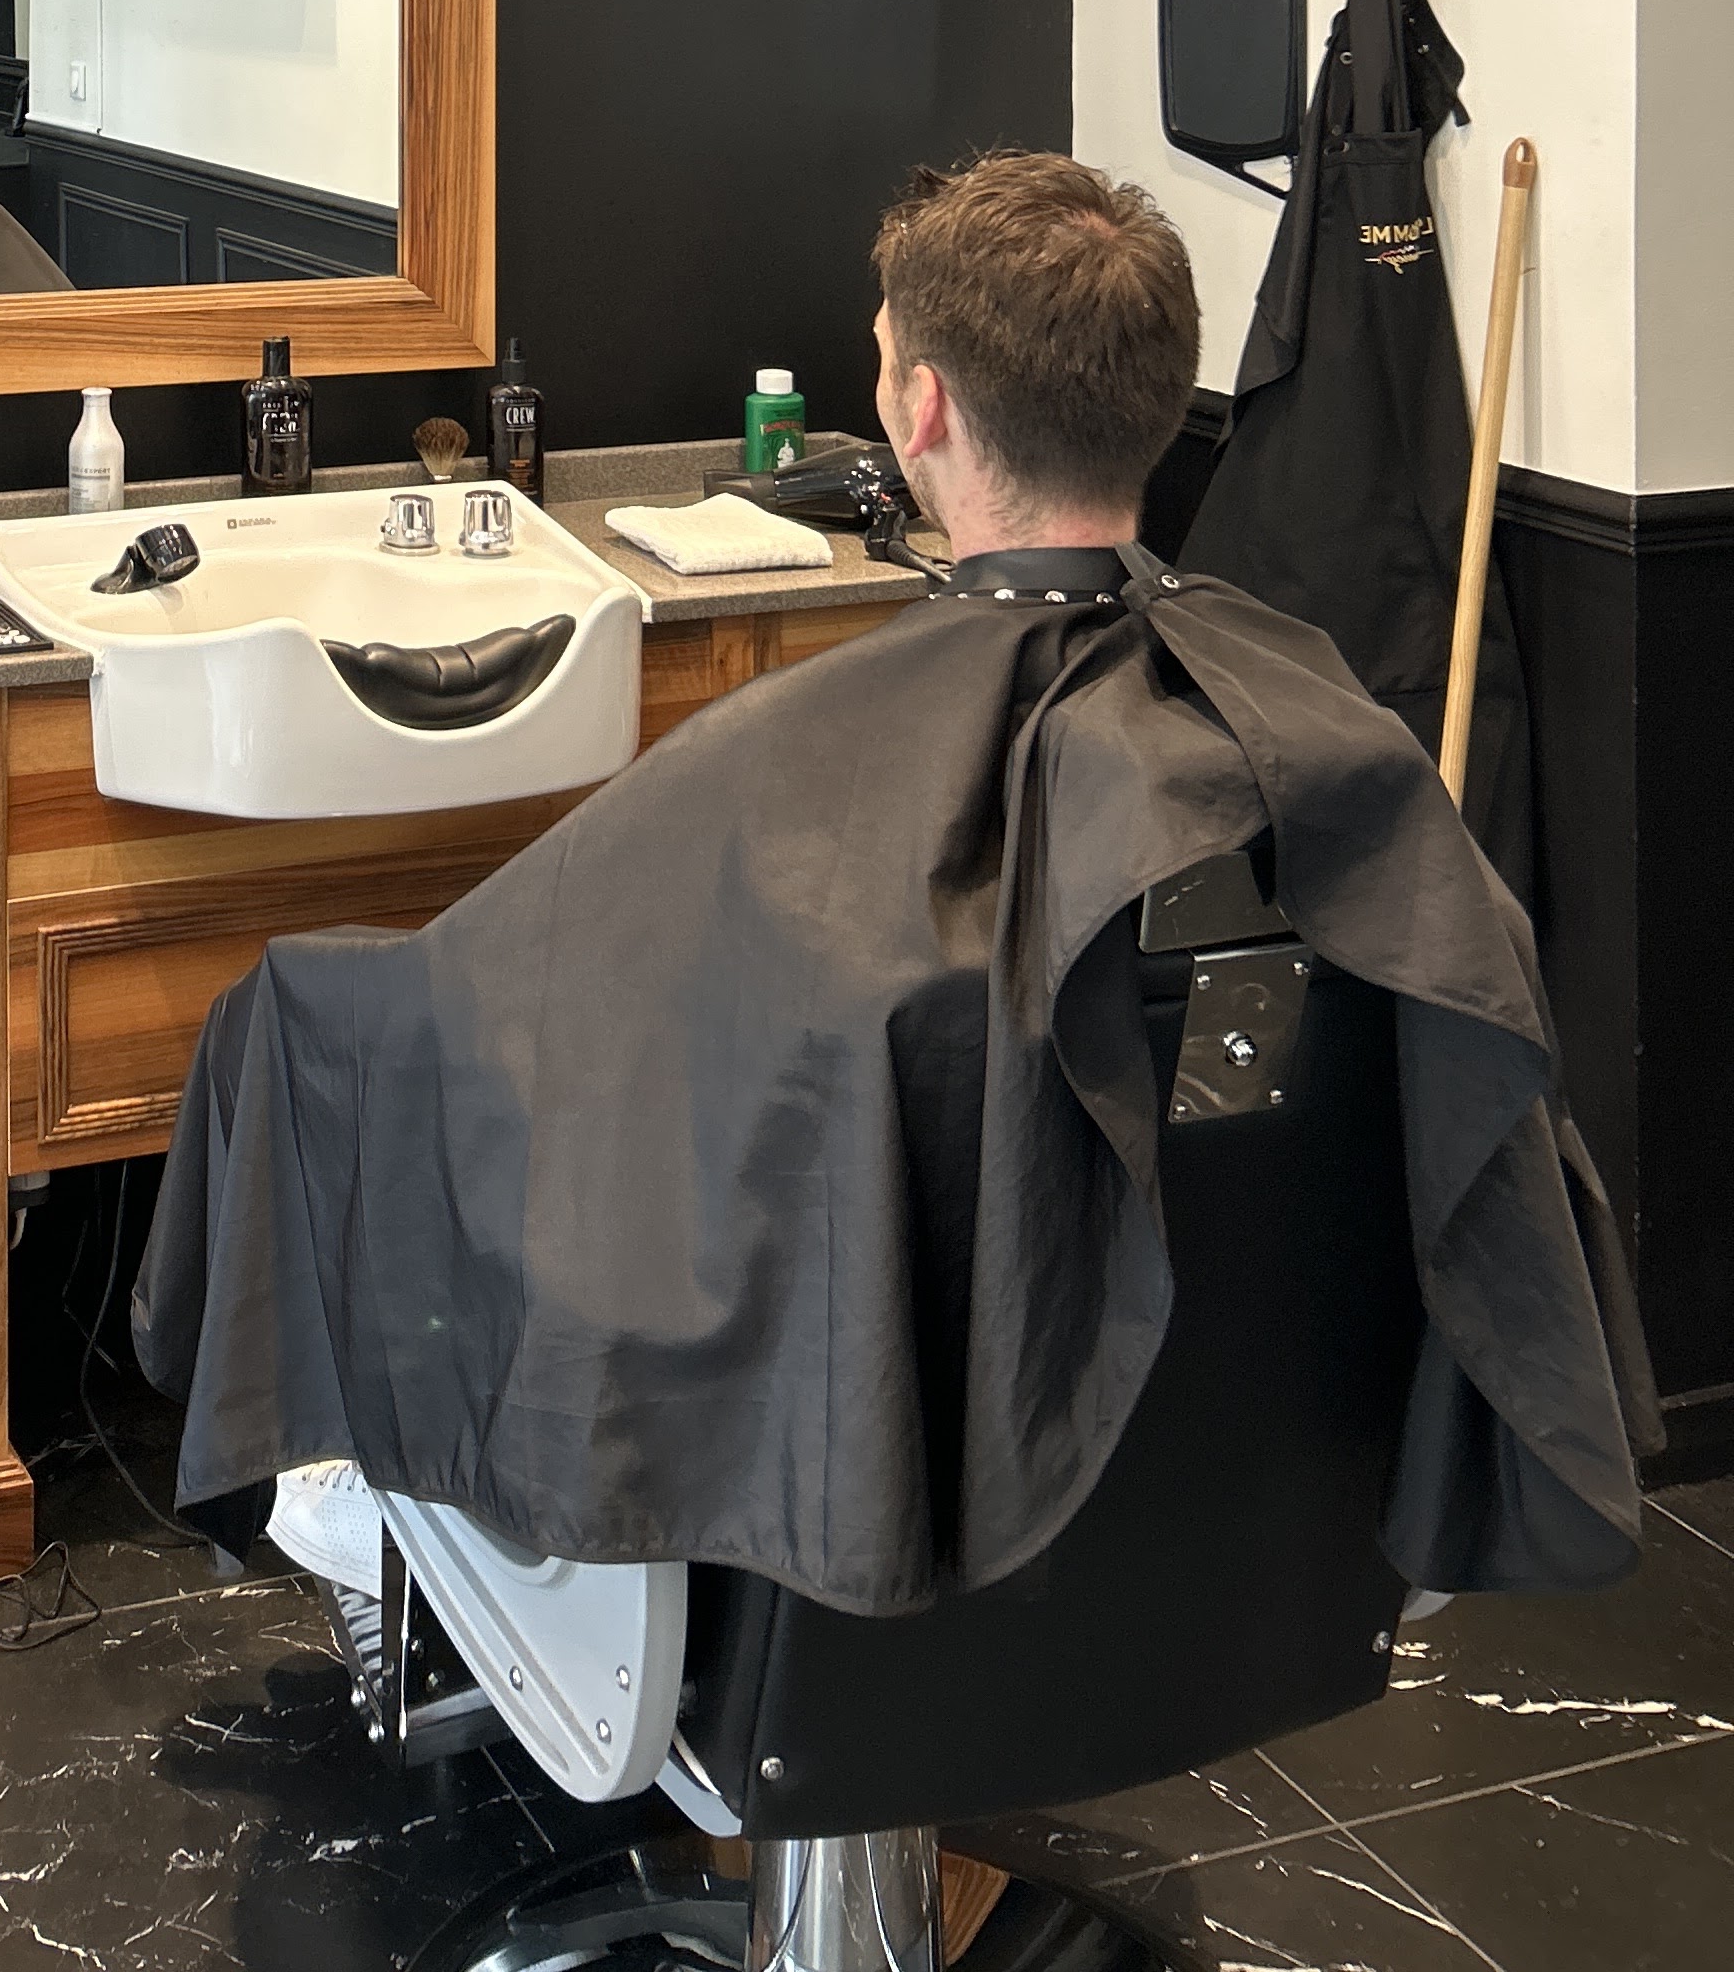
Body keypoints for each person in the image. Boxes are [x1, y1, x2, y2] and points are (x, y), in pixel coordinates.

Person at [135, 151, 1653, 1619]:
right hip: (1242, 1500)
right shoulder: (1313, 726)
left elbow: (552, 1009)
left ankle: (354, 1486)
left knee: (298, 1010)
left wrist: (302, 1019)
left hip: (879, 1483)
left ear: (918, 408)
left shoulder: (816, 760)